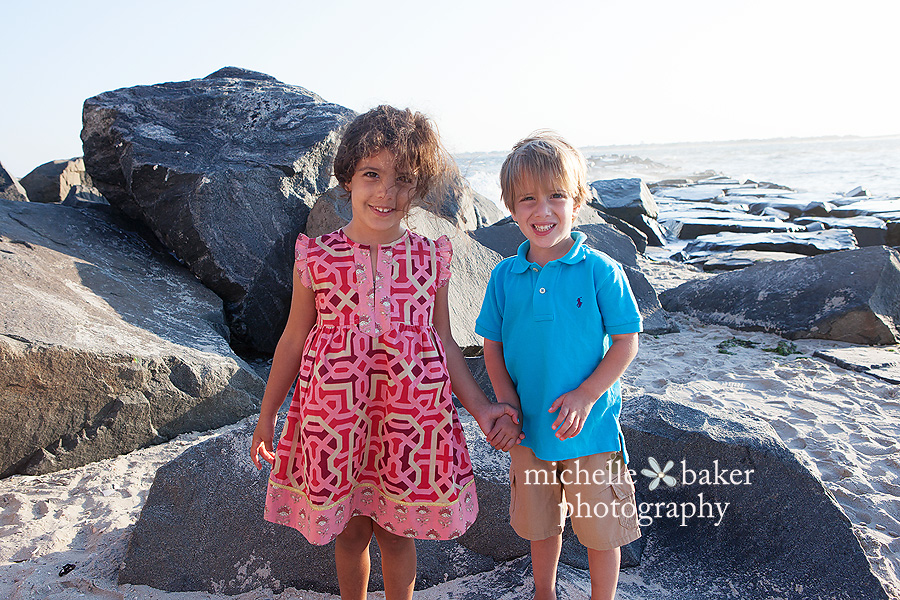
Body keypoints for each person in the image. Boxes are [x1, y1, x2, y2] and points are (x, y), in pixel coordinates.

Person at [249, 105, 518, 600]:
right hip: (337, 416)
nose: (387, 192)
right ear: (347, 177)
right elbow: (292, 339)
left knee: (398, 532)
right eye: (372, 175)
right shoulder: (317, 255)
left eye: (403, 180)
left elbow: (443, 342)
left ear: (417, 189)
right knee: (349, 532)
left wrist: (480, 408)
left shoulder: (429, 256)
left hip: (409, 419)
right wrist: (268, 415)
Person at [476, 131, 643, 600]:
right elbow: (491, 346)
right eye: (527, 199)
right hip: (529, 430)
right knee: (540, 524)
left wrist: (586, 395)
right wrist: (507, 405)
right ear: (510, 207)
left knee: (599, 531)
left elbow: (626, 343)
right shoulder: (504, 276)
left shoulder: (600, 270)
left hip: (591, 430)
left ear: (579, 200)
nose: (542, 211)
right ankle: (544, 593)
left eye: (555, 196)